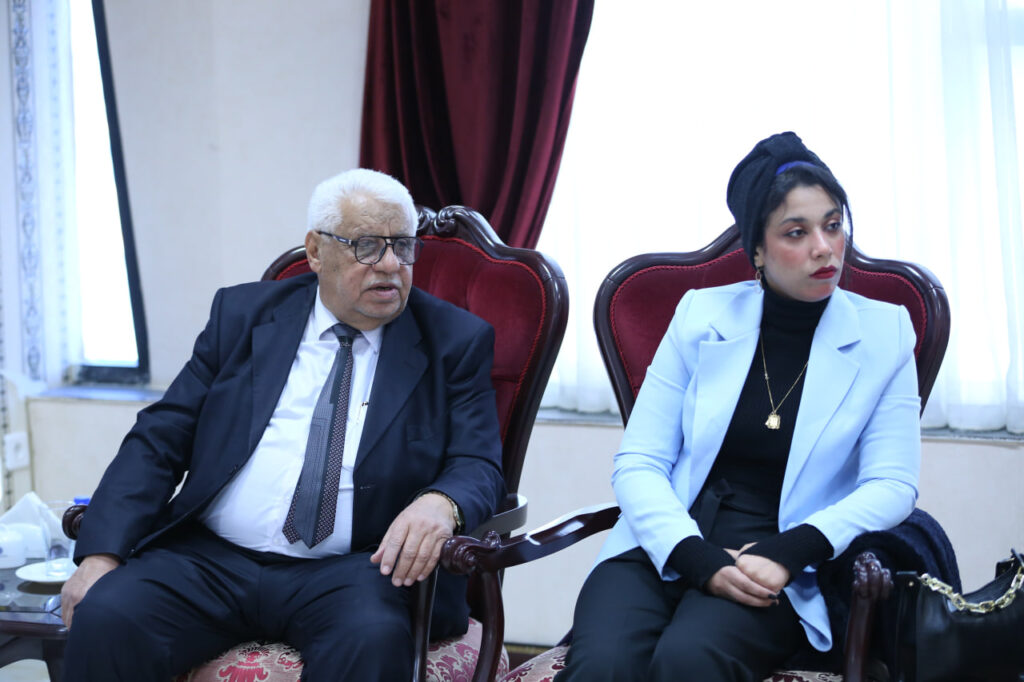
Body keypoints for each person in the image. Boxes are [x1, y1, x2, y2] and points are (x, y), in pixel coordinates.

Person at [59, 169, 504, 680]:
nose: (389, 265)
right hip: (210, 560)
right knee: (108, 615)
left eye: (403, 246)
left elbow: (478, 463)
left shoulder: (454, 341)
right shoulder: (242, 315)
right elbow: (160, 438)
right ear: (315, 251)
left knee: (372, 639)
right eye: (366, 246)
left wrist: (442, 501)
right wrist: (101, 553)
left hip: (354, 571)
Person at [555, 132, 921, 681]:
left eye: (832, 224)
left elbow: (892, 484)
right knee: (603, 666)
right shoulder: (700, 316)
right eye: (796, 232)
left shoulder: (885, 333)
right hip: (667, 534)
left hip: (779, 552)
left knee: (688, 661)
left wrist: (792, 550)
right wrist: (690, 553)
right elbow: (640, 462)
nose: (824, 247)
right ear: (757, 251)